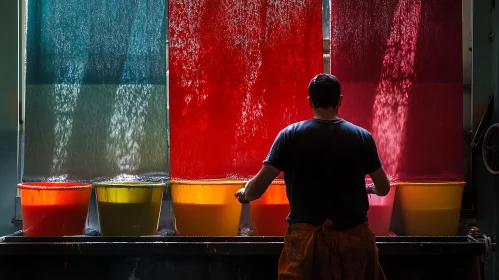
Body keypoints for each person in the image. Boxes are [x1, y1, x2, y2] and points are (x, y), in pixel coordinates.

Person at [235, 73, 391, 280]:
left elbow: (256, 189)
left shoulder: (289, 136)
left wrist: (245, 193)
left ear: (310, 101)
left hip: (306, 249)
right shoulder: (362, 137)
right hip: (354, 248)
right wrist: (370, 189)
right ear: (340, 100)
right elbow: (384, 187)